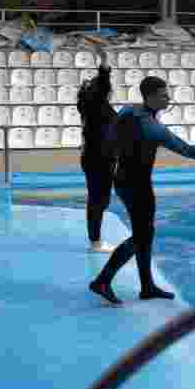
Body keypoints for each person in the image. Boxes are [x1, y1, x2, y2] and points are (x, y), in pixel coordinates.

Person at [88, 76, 195, 305]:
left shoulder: (128, 111)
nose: (168, 98)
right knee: (142, 236)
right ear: (150, 97)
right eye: (163, 95)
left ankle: (147, 286)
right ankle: (102, 281)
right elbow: (190, 151)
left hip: (122, 180)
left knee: (145, 234)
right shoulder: (151, 127)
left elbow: (111, 138)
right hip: (137, 186)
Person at [77, 50, 117, 253]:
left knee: (100, 200)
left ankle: (96, 240)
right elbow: (103, 81)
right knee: (97, 200)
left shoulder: (92, 107)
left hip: (98, 157)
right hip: (99, 159)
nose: (111, 91)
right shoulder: (97, 105)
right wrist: (104, 60)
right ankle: (96, 242)